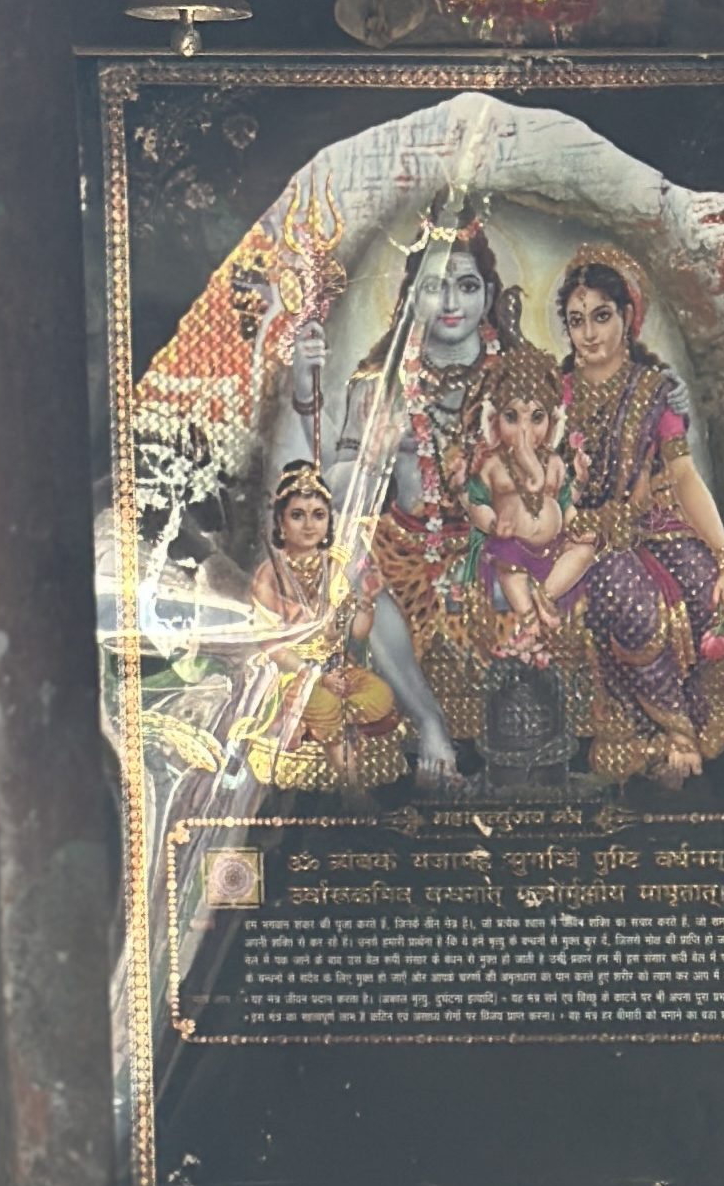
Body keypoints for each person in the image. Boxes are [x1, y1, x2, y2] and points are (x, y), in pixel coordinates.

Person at [266, 213, 523, 774]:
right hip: (404, 553)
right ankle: (430, 724)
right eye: (433, 286)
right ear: (410, 299)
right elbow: (332, 489)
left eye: (466, 284)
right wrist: (321, 405)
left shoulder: (518, 381)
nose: (450, 301)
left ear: (489, 295)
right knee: (350, 570)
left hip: (494, 552)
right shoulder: (375, 385)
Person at [553, 247, 724, 787]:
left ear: (627, 317)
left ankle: (691, 729)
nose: (589, 334)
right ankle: (667, 734)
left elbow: (683, 476)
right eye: (576, 320)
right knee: (631, 599)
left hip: (649, 523)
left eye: (602, 316)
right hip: (578, 535)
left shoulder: (652, 390)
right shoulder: (553, 392)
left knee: (700, 581)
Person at [221, 462, 433, 792]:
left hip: (337, 668)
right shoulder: (269, 574)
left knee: (379, 696)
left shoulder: (335, 566)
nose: (309, 525)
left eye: (318, 515)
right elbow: (270, 644)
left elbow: (352, 636)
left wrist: (366, 603)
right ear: (280, 521)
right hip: (288, 673)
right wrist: (315, 675)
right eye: (298, 515)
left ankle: (321, 732)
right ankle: (351, 789)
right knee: (325, 704)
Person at [465, 340, 594, 653]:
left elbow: (565, 504)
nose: (524, 430)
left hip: (552, 546)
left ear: (551, 422)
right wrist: (493, 522)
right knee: (508, 565)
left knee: (586, 550)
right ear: (495, 420)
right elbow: (474, 502)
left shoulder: (554, 463)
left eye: (536, 418)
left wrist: (580, 493)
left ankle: (545, 596)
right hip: (512, 545)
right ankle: (527, 616)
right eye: (513, 417)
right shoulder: (494, 465)